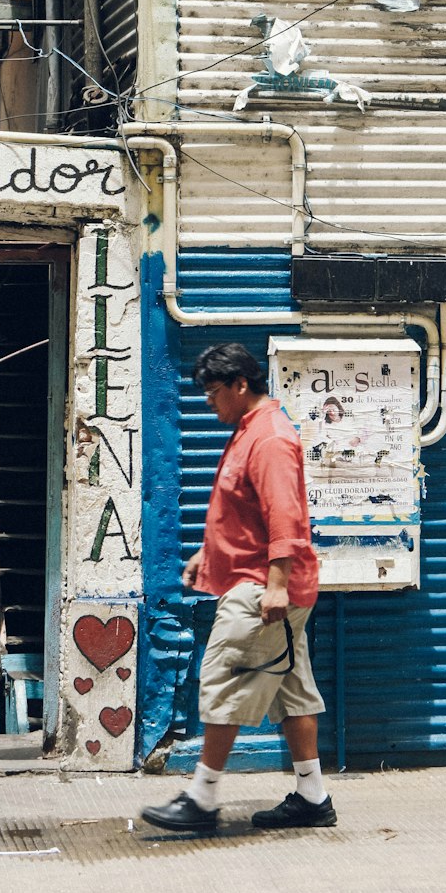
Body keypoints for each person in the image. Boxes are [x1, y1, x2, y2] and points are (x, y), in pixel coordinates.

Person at [141, 342, 335, 835]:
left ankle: (202, 800)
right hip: (262, 581)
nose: (209, 402)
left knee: (223, 677)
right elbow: (244, 510)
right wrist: (210, 553)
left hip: (262, 590)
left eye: (213, 392)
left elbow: (285, 517)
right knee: (292, 691)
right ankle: (313, 797)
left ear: (240, 385)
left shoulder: (269, 437)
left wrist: (274, 585)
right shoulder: (249, 430)